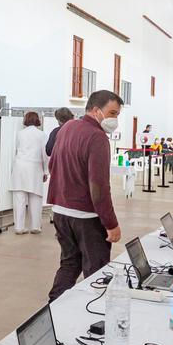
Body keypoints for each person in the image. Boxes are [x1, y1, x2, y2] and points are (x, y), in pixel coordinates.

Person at [46, 90, 123, 301]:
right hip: (86, 217)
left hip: (60, 211)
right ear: (96, 110)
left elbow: (53, 164)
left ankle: (54, 306)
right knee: (96, 271)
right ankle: (94, 313)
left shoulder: (67, 127)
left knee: (69, 263)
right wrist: (111, 223)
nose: (115, 119)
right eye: (112, 113)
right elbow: (98, 186)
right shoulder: (97, 138)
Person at [11, 111, 49, 234]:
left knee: (19, 197)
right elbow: (45, 154)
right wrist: (46, 171)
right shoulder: (42, 135)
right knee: (36, 197)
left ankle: (19, 227)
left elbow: (16, 150)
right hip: (34, 167)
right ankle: (35, 226)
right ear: (37, 120)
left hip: (20, 166)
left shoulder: (19, 134)